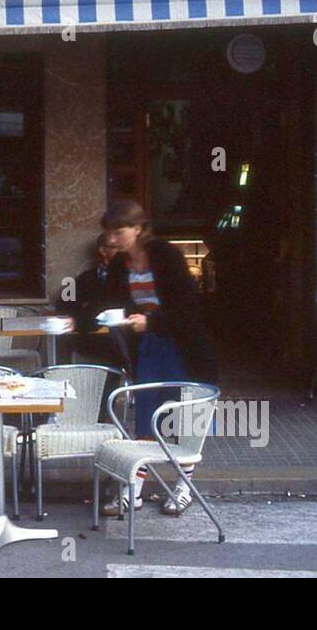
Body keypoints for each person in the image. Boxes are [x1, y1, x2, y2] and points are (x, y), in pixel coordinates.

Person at [93, 199, 217, 517]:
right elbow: (113, 302)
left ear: (137, 228)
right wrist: (93, 319)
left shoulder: (167, 257)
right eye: (109, 233)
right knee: (147, 411)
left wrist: (153, 321)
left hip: (183, 345)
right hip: (148, 345)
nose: (111, 239)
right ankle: (133, 489)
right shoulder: (120, 265)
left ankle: (184, 487)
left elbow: (189, 306)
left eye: (118, 232)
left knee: (187, 415)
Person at [60, 233, 118, 362]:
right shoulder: (84, 278)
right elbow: (64, 304)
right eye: (116, 246)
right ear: (103, 250)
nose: (122, 250)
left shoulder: (134, 277)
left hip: (128, 344)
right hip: (95, 346)